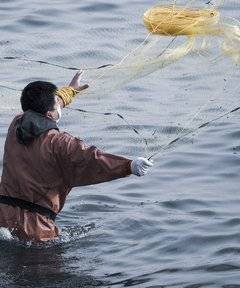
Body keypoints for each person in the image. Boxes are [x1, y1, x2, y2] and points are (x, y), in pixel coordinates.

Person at [0, 70, 153, 242]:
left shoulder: (16, 125)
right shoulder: (61, 143)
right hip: (37, 229)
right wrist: (129, 166)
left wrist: (71, 91)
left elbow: (44, 108)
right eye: (56, 104)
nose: (59, 104)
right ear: (50, 114)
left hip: (3, 216)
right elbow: (92, 160)